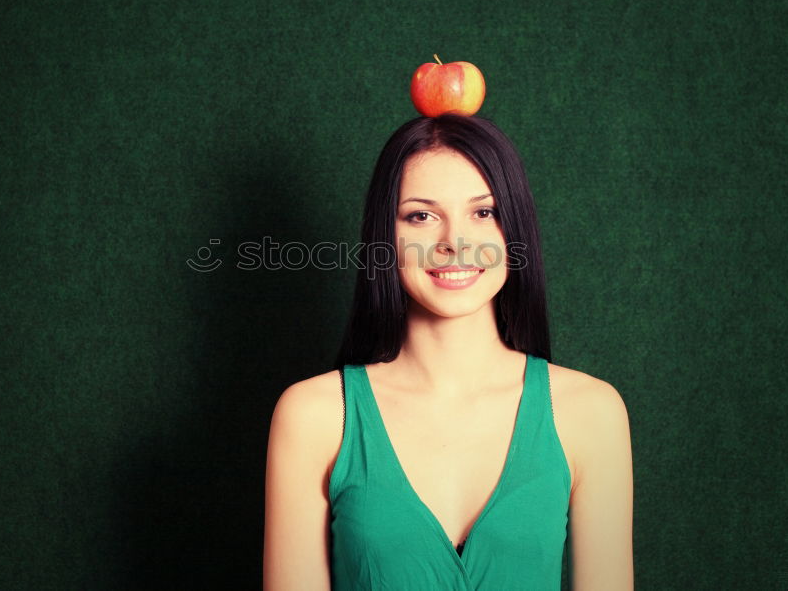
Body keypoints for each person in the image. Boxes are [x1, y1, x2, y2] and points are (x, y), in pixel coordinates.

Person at [263, 114, 633, 590]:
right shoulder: (312, 416)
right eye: (421, 215)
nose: (454, 244)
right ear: (385, 237)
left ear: (514, 230)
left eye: (484, 212)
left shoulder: (590, 412)